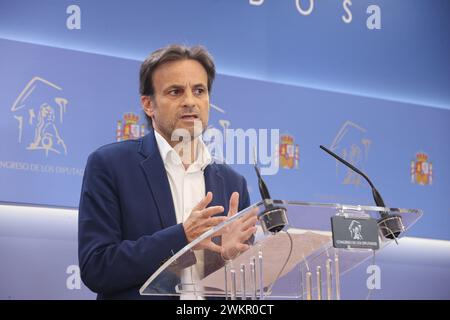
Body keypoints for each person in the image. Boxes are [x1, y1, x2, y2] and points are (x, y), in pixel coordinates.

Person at [78, 44, 257, 300]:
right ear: (148, 104)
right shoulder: (110, 165)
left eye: (199, 90)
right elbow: (97, 267)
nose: (190, 101)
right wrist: (181, 236)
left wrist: (229, 260)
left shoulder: (232, 182)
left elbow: (241, 287)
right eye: (175, 91)